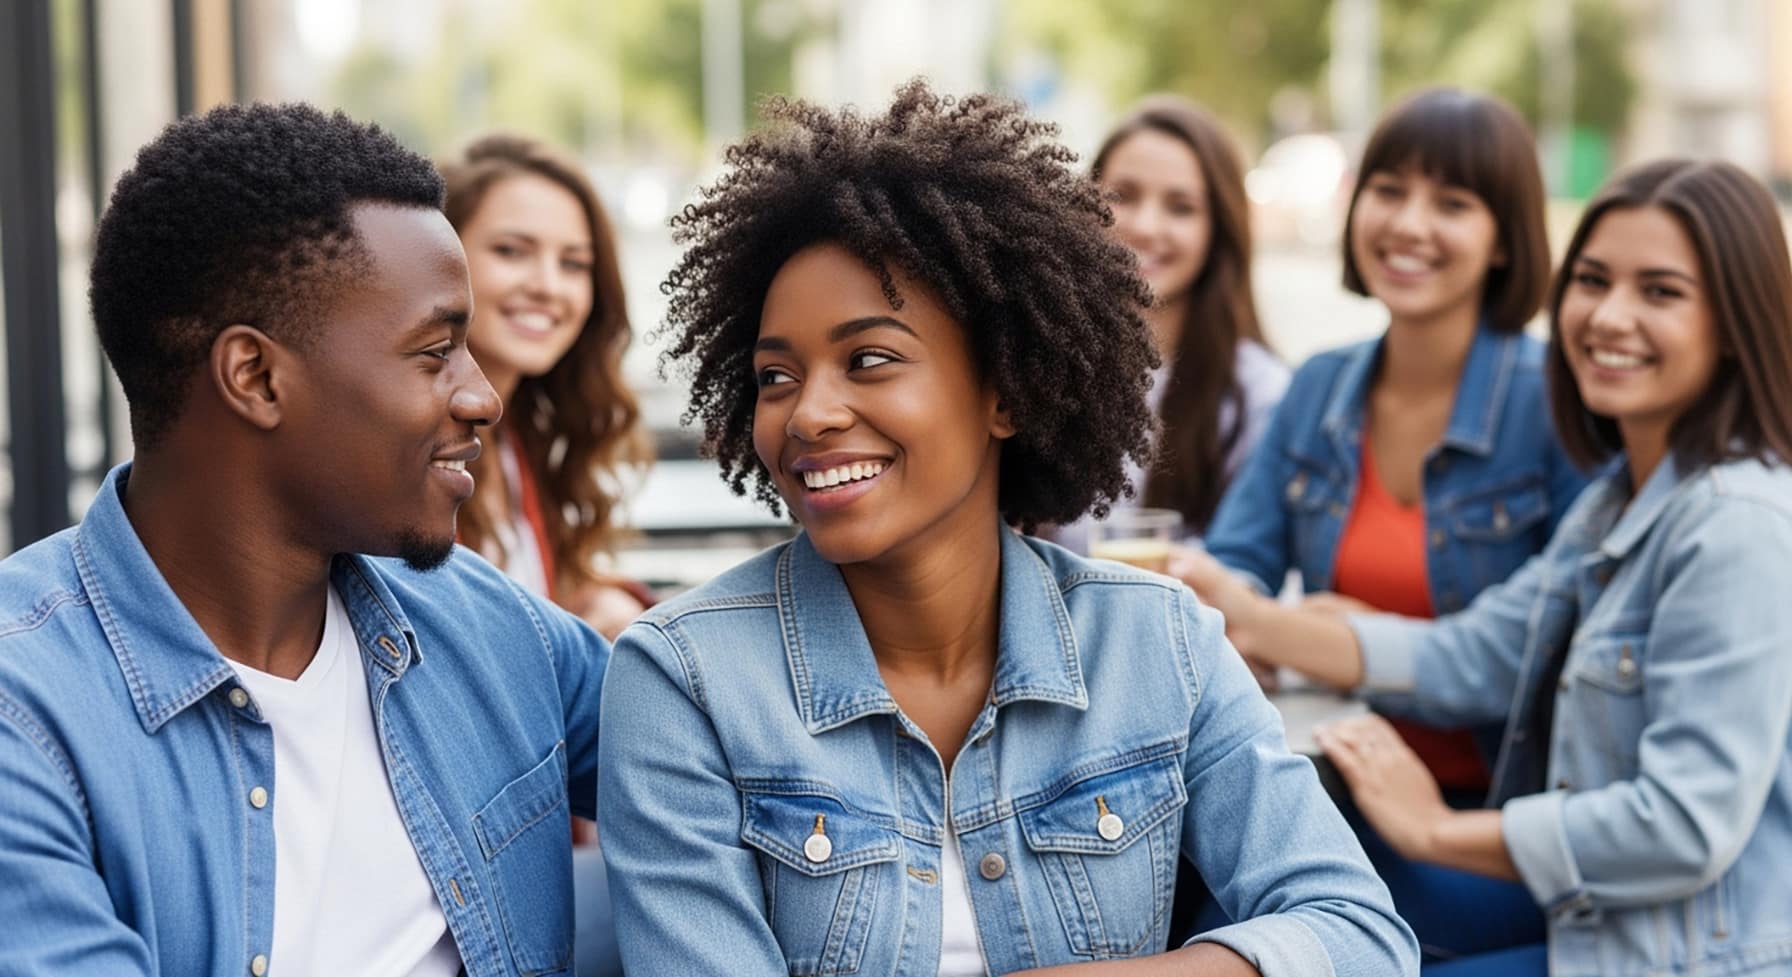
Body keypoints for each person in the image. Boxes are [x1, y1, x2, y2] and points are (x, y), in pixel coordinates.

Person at [596, 80, 1417, 977]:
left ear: (1004, 393)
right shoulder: (684, 678)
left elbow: (1360, 932)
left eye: (869, 359)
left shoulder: (1157, 640)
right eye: (776, 376)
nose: (809, 414)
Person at [0, 104, 609, 977]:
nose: (482, 397)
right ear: (255, 376)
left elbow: (742, 767)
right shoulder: (27, 717)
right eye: (435, 352)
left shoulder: (482, 621)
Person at [1196, 158, 1792, 976]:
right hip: (1601, 914)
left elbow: (1684, 825)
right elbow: (1480, 651)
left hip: (1675, 948)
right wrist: (1268, 624)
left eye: (1660, 292)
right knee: (1258, 887)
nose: (1610, 316)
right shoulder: (1623, 496)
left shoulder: (1735, 524)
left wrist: (1434, 827)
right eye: (1593, 280)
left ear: (1735, 321)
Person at [1194, 88, 1588, 794]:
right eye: (1389, 190)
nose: (1409, 224)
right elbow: (1226, 576)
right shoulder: (1318, 387)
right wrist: (1261, 622)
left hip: (1488, 815)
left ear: (1505, 238)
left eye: (1452, 204)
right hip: (1321, 787)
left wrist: (1296, 634)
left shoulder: (1560, 402)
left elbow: (1528, 655)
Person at [440, 134, 653, 641]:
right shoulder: (400, 453)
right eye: (512, 251)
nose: (548, 286)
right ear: (440, 256)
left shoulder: (522, 438)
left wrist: (603, 598)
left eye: (574, 264)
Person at [1054, 96, 1287, 548]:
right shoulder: (1038, 369)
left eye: (1180, 207)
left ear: (1218, 230)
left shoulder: (1258, 396)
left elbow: (1247, 575)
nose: (1145, 226)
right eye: (1123, 196)